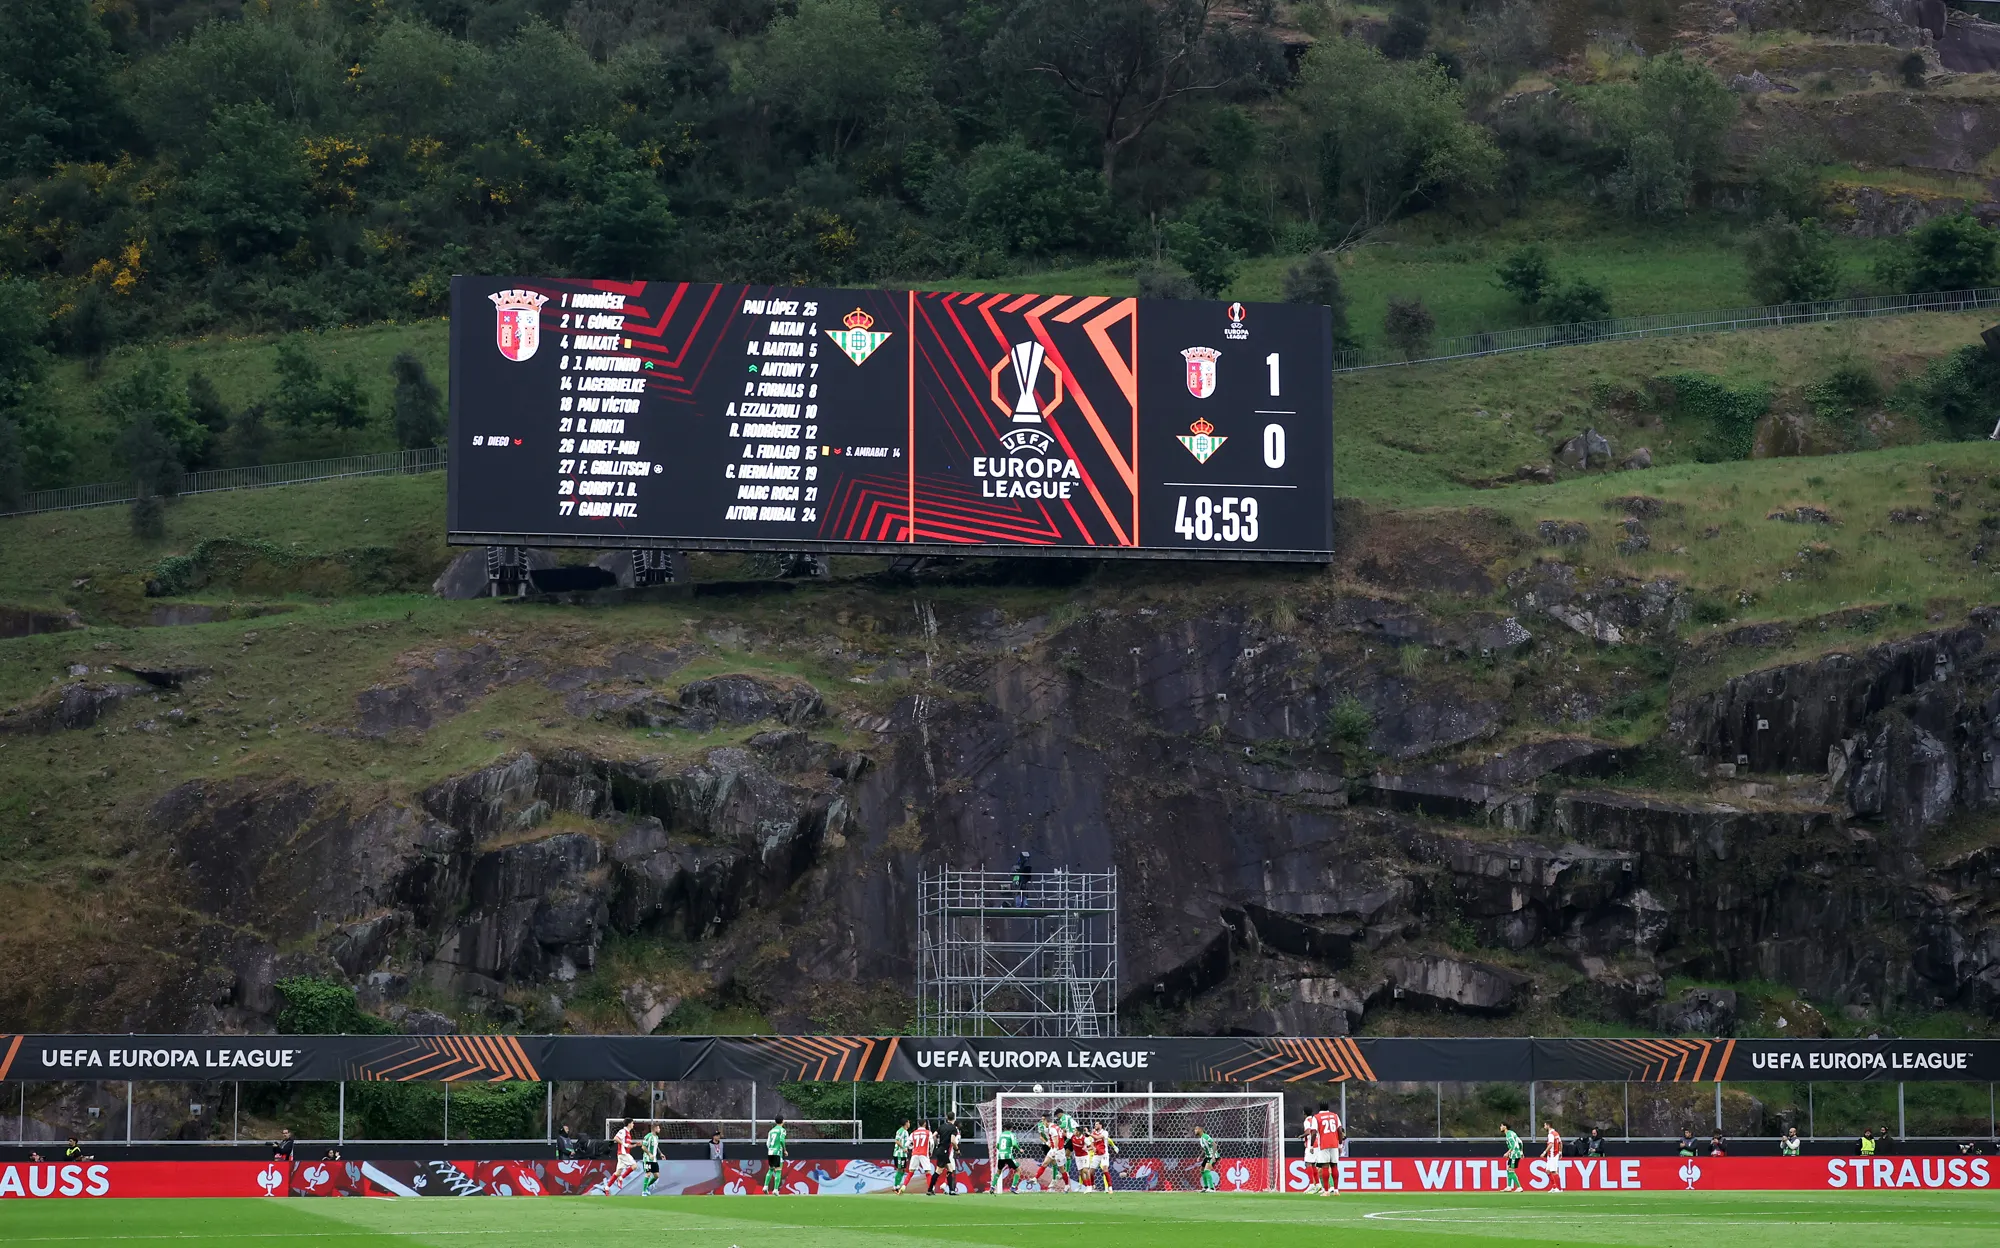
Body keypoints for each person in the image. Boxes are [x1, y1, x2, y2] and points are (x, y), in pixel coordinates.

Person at [902, 1121, 935, 1194]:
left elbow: (906, 1144)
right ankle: (930, 1189)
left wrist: (912, 1147)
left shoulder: (913, 1133)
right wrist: (931, 1151)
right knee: (928, 1172)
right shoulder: (928, 1132)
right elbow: (932, 1143)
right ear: (925, 1124)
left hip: (915, 1153)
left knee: (911, 1171)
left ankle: (904, 1186)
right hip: (924, 1153)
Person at [1035, 1112, 1065, 1192]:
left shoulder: (1052, 1126)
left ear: (1047, 1119)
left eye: (1043, 1119)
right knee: (1050, 1162)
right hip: (1046, 1144)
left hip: (1054, 1144)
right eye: (1041, 1119)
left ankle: (1054, 1179)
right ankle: (1056, 1176)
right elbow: (1041, 1136)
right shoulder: (1040, 1125)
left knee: (1053, 1161)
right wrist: (1047, 1143)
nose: (1042, 1121)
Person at [1089, 1123, 1118, 1193]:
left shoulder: (1105, 1133)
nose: (1095, 1125)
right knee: (1091, 1171)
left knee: (1105, 1170)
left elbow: (1097, 1138)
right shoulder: (1094, 1133)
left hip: (1104, 1154)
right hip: (1096, 1155)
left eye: (1096, 1124)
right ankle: (1092, 1185)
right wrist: (1093, 1148)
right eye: (1095, 1124)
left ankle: (1110, 1188)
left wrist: (1089, 1134)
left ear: (1100, 1125)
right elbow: (1092, 1142)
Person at [991, 1123, 1019, 1193]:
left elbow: (997, 1146)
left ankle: (992, 1187)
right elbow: (1014, 1144)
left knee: (999, 1171)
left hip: (1000, 1155)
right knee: (1018, 1170)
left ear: (1005, 1128)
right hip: (1008, 1155)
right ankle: (1013, 1187)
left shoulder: (1001, 1135)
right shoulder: (1011, 1134)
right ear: (1011, 1128)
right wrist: (1019, 1149)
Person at [763, 1116, 787, 1194]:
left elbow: (768, 1143)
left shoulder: (771, 1131)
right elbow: (781, 1140)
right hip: (778, 1152)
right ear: (782, 1121)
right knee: (778, 1171)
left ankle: (765, 1186)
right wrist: (784, 1150)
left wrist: (771, 1149)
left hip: (771, 1151)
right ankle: (776, 1190)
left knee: (771, 1169)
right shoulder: (782, 1130)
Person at [611, 1120, 638, 1189]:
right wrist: (623, 1144)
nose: (633, 1125)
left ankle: (607, 1188)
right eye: (632, 1123)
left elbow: (628, 1146)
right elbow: (616, 1138)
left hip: (623, 1154)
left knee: (617, 1173)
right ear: (629, 1124)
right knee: (634, 1166)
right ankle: (621, 1178)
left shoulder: (628, 1133)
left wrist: (635, 1145)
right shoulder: (623, 1131)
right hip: (623, 1154)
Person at [1301, 1105, 1322, 1193]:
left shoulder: (1307, 1121)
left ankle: (1311, 1184)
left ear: (1304, 1113)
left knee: (1308, 1163)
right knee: (1313, 1164)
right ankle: (1318, 1184)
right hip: (1317, 1144)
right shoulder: (1314, 1119)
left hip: (1311, 1144)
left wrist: (1301, 1136)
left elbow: (1308, 1131)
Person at [1196, 1126, 1221, 1192]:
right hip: (1208, 1156)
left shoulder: (1206, 1136)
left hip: (1213, 1155)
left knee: (1206, 1170)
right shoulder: (1201, 1139)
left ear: (1201, 1130)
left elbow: (1214, 1145)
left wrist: (1213, 1156)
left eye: (1196, 1129)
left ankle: (1212, 1188)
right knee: (1202, 1169)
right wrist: (1200, 1156)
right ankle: (1206, 1187)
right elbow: (1205, 1149)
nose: (1195, 1131)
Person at [1501, 1123, 1524, 1193]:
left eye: (1501, 1126)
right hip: (1514, 1153)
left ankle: (1519, 1187)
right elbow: (1520, 1142)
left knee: (1511, 1170)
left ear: (1505, 1127)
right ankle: (1509, 1187)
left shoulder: (1509, 1134)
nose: (1500, 1127)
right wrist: (1521, 1151)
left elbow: (1513, 1144)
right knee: (1508, 1168)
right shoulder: (1512, 1133)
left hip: (1514, 1154)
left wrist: (1507, 1153)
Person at [893, 1119, 914, 1193]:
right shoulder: (902, 1131)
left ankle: (897, 1185)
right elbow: (897, 1140)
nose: (909, 1123)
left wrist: (909, 1147)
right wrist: (903, 1148)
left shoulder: (905, 1131)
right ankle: (896, 1186)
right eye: (908, 1122)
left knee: (902, 1169)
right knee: (900, 1169)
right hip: (899, 1153)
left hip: (903, 1153)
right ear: (906, 1123)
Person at [640, 1123, 661, 1195]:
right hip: (647, 1159)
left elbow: (656, 1146)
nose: (659, 1129)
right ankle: (644, 1191)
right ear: (654, 1129)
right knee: (648, 1174)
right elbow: (643, 1147)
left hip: (654, 1160)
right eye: (658, 1128)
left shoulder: (656, 1137)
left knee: (656, 1176)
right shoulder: (648, 1136)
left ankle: (647, 1186)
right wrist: (649, 1154)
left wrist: (661, 1153)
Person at [1543, 1123, 1564, 1191]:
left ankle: (1559, 1188)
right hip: (1553, 1155)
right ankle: (1554, 1187)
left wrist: (1544, 1152)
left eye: (1545, 1125)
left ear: (1548, 1125)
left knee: (1553, 1171)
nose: (1544, 1127)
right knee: (1547, 1171)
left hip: (1552, 1155)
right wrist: (1560, 1152)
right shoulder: (1556, 1133)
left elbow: (1551, 1144)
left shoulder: (1551, 1134)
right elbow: (1560, 1143)